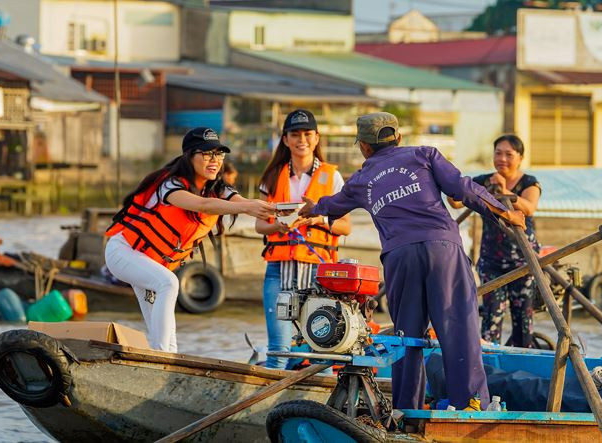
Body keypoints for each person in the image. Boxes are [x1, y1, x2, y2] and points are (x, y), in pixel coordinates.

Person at [299, 112, 526, 410]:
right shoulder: (424, 154)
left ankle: (407, 409)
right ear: (399, 138)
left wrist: (312, 208)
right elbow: (463, 188)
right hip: (442, 248)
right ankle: (471, 403)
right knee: (457, 325)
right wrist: (505, 212)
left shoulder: (362, 178)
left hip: (400, 256)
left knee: (406, 335)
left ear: (364, 147)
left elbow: (332, 204)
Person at [105, 127, 275, 352]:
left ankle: (168, 363)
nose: (215, 160)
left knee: (162, 327)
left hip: (151, 260)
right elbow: (202, 205)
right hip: (123, 251)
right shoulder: (170, 185)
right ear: (189, 156)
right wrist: (247, 207)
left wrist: (272, 213)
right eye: (207, 154)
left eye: (219, 154)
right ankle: (164, 358)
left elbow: (237, 199)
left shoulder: (217, 187)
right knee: (169, 283)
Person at [255, 109, 351, 369]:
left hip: (319, 273)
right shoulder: (272, 177)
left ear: (317, 137)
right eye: (295, 134)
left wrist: (317, 218)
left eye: (308, 134)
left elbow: (345, 226)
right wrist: (279, 225)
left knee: (321, 347)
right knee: (279, 350)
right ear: (285, 139)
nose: (302, 140)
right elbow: (259, 225)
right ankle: (267, 407)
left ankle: (318, 404)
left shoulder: (332, 177)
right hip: (279, 270)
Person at [450, 135, 541, 348]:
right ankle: (490, 367)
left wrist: (504, 191)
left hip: (523, 262)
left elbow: (529, 207)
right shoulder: (484, 181)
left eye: (509, 154)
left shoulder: (529, 182)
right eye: (498, 153)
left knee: (523, 319)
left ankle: (523, 364)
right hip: (491, 261)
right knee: (491, 317)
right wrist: (454, 185)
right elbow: (454, 202)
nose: (502, 159)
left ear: (520, 158)